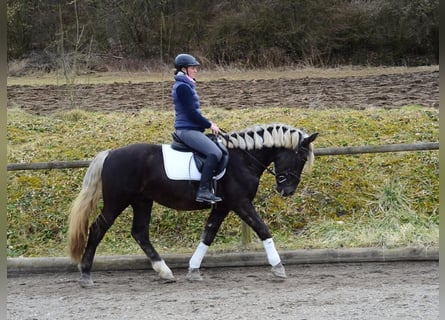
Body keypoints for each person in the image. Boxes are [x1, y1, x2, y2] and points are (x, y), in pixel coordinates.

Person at [172, 53, 223, 204]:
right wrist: (209, 124)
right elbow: (191, 113)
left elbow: (193, 113)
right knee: (215, 152)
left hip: (191, 128)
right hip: (186, 130)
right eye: (193, 68)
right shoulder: (182, 87)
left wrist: (208, 122)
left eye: (195, 68)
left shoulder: (187, 85)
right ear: (184, 69)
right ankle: (204, 191)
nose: (195, 70)